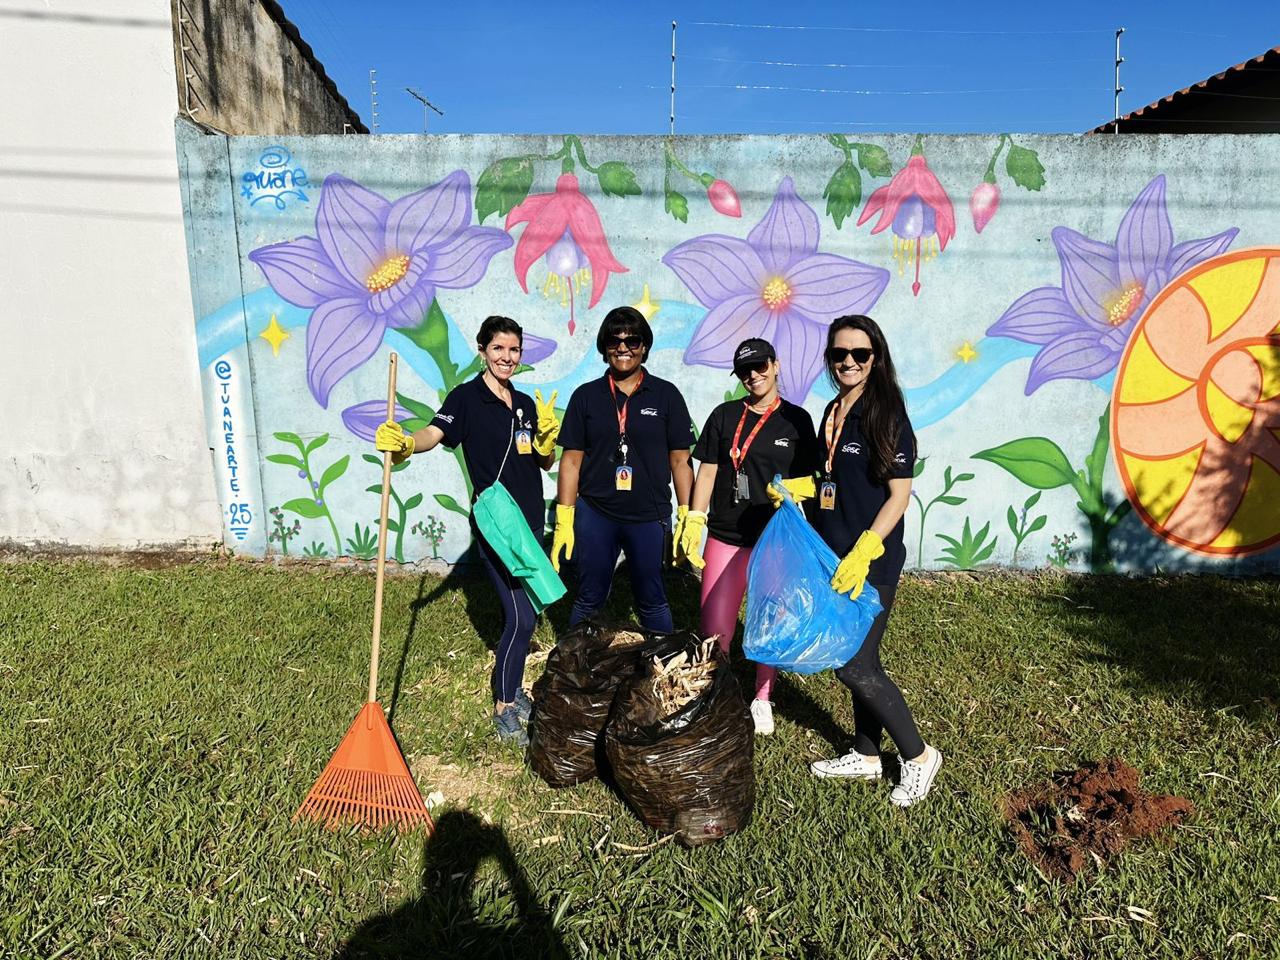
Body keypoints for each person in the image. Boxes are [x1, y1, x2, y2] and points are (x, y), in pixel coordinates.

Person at [769, 314, 942, 807]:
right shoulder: (834, 409)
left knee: (855, 665)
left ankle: (919, 756)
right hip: (832, 558)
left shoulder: (885, 414)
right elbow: (837, 480)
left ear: (875, 359)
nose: (848, 362)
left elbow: (899, 495)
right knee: (856, 654)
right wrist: (799, 489)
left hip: (870, 562)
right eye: (839, 354)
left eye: (859, 355)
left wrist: (867, 548)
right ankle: (867, 754)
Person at [375, 316, 560, 746]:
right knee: (521, 616)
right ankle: (504, 707)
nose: (507, 357)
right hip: (498, 521)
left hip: (529, 521)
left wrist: (547, 443)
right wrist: (405, 442)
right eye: (499, 349)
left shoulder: (525, 403)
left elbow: (540, 462)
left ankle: (513, 691)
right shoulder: (466, 397)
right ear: (482, 351)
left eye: (514, 350)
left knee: (528, 609)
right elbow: (434, 433)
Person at [680, 338, 819, 735]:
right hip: (725, 535)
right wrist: (694, 517)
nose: (753, 376)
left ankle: (762, 698)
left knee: (770, 623)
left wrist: (796, 488)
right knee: (715, 626)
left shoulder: (797, 420)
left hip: (773, 539)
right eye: (745, 371)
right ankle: (718, 695)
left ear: (776, 366)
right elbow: (706, 471)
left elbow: (813, 477)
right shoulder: (725, 416)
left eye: (760, 366)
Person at [551, 306, 695, 632]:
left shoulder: (666, 395)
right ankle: (575, 666)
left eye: (632, 340)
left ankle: (663, 667)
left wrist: (688, 514)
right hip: (596, 513)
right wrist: (565, 516)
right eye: (615, 341)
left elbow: (680, 460)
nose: (623, 348)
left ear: (644, 347)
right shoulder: (586, 397)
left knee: (652, 598)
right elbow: (571, 461)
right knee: (589, 596)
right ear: (604, 347)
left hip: (648, 514)